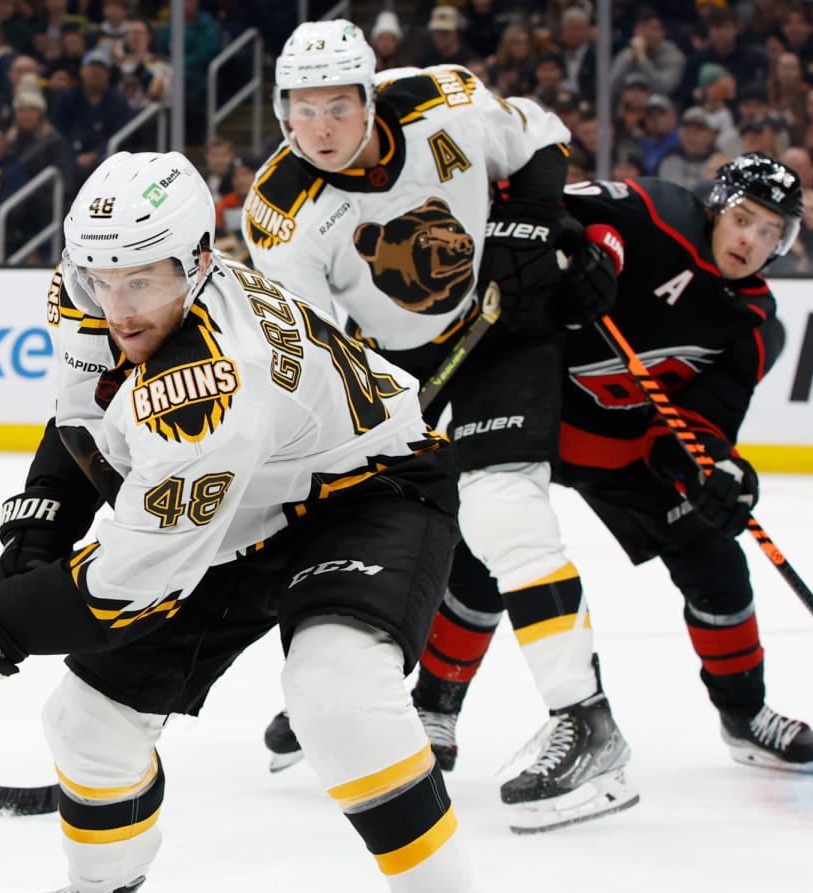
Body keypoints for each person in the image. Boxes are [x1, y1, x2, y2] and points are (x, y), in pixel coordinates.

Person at [0, 148, 507, 893]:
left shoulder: (214, 385)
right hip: (243, 499)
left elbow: (125, 584)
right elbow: (81, 419)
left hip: (368, 491)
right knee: (87, 722)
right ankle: (101, 891)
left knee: (336, 697)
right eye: (102, 278)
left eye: (143, 280)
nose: (119, 305)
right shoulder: (91, 297)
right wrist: (35, 542)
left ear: (198, 262)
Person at [245, 20, 636, 834]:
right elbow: (322, 357)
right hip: (401, 372)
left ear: (370, 95)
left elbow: (542, 138)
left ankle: (586, 720)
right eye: (301, 109)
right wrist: (376, 416)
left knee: (503, 513)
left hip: (505, 330)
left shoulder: (442, 103)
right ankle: (385, 705)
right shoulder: (282, 214)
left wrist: (529, 224)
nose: (320, 128)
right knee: (396, 540)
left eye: (338, 106)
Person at [544, 156, 813, 777]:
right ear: (716, 208)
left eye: (770, 231)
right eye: (743, 219)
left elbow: (696, 429)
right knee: (476, 553)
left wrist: (716, 474)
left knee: (718, 564)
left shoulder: (753, 326)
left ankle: (745, 718)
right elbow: (562, 209)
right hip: (534, 417)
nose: (750, 239)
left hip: (623, 453)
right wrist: (598, 253)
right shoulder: (660, 211)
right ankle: (429, 710)